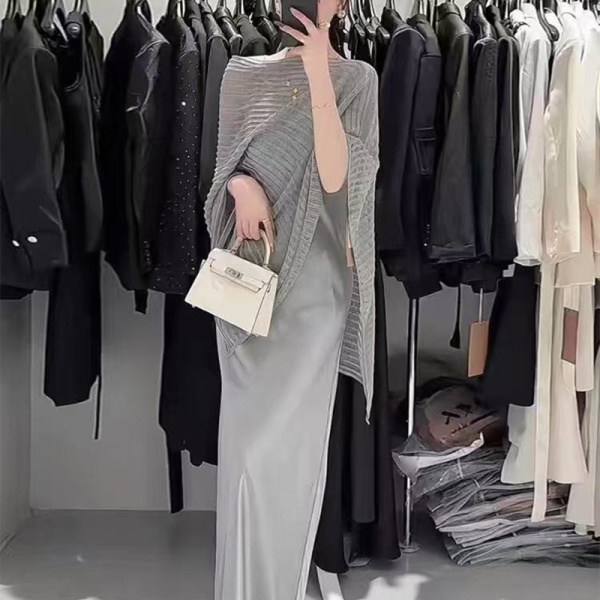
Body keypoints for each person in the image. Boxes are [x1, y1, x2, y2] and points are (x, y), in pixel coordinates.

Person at [203, 1, 379, 598]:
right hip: (250, 287)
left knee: (296, 458)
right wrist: (241, 184)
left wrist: (319, 73)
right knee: (245, 457)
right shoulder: (242, 74)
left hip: (315, 298)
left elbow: (338, 181)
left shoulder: (358, 80)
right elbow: (218, 176)